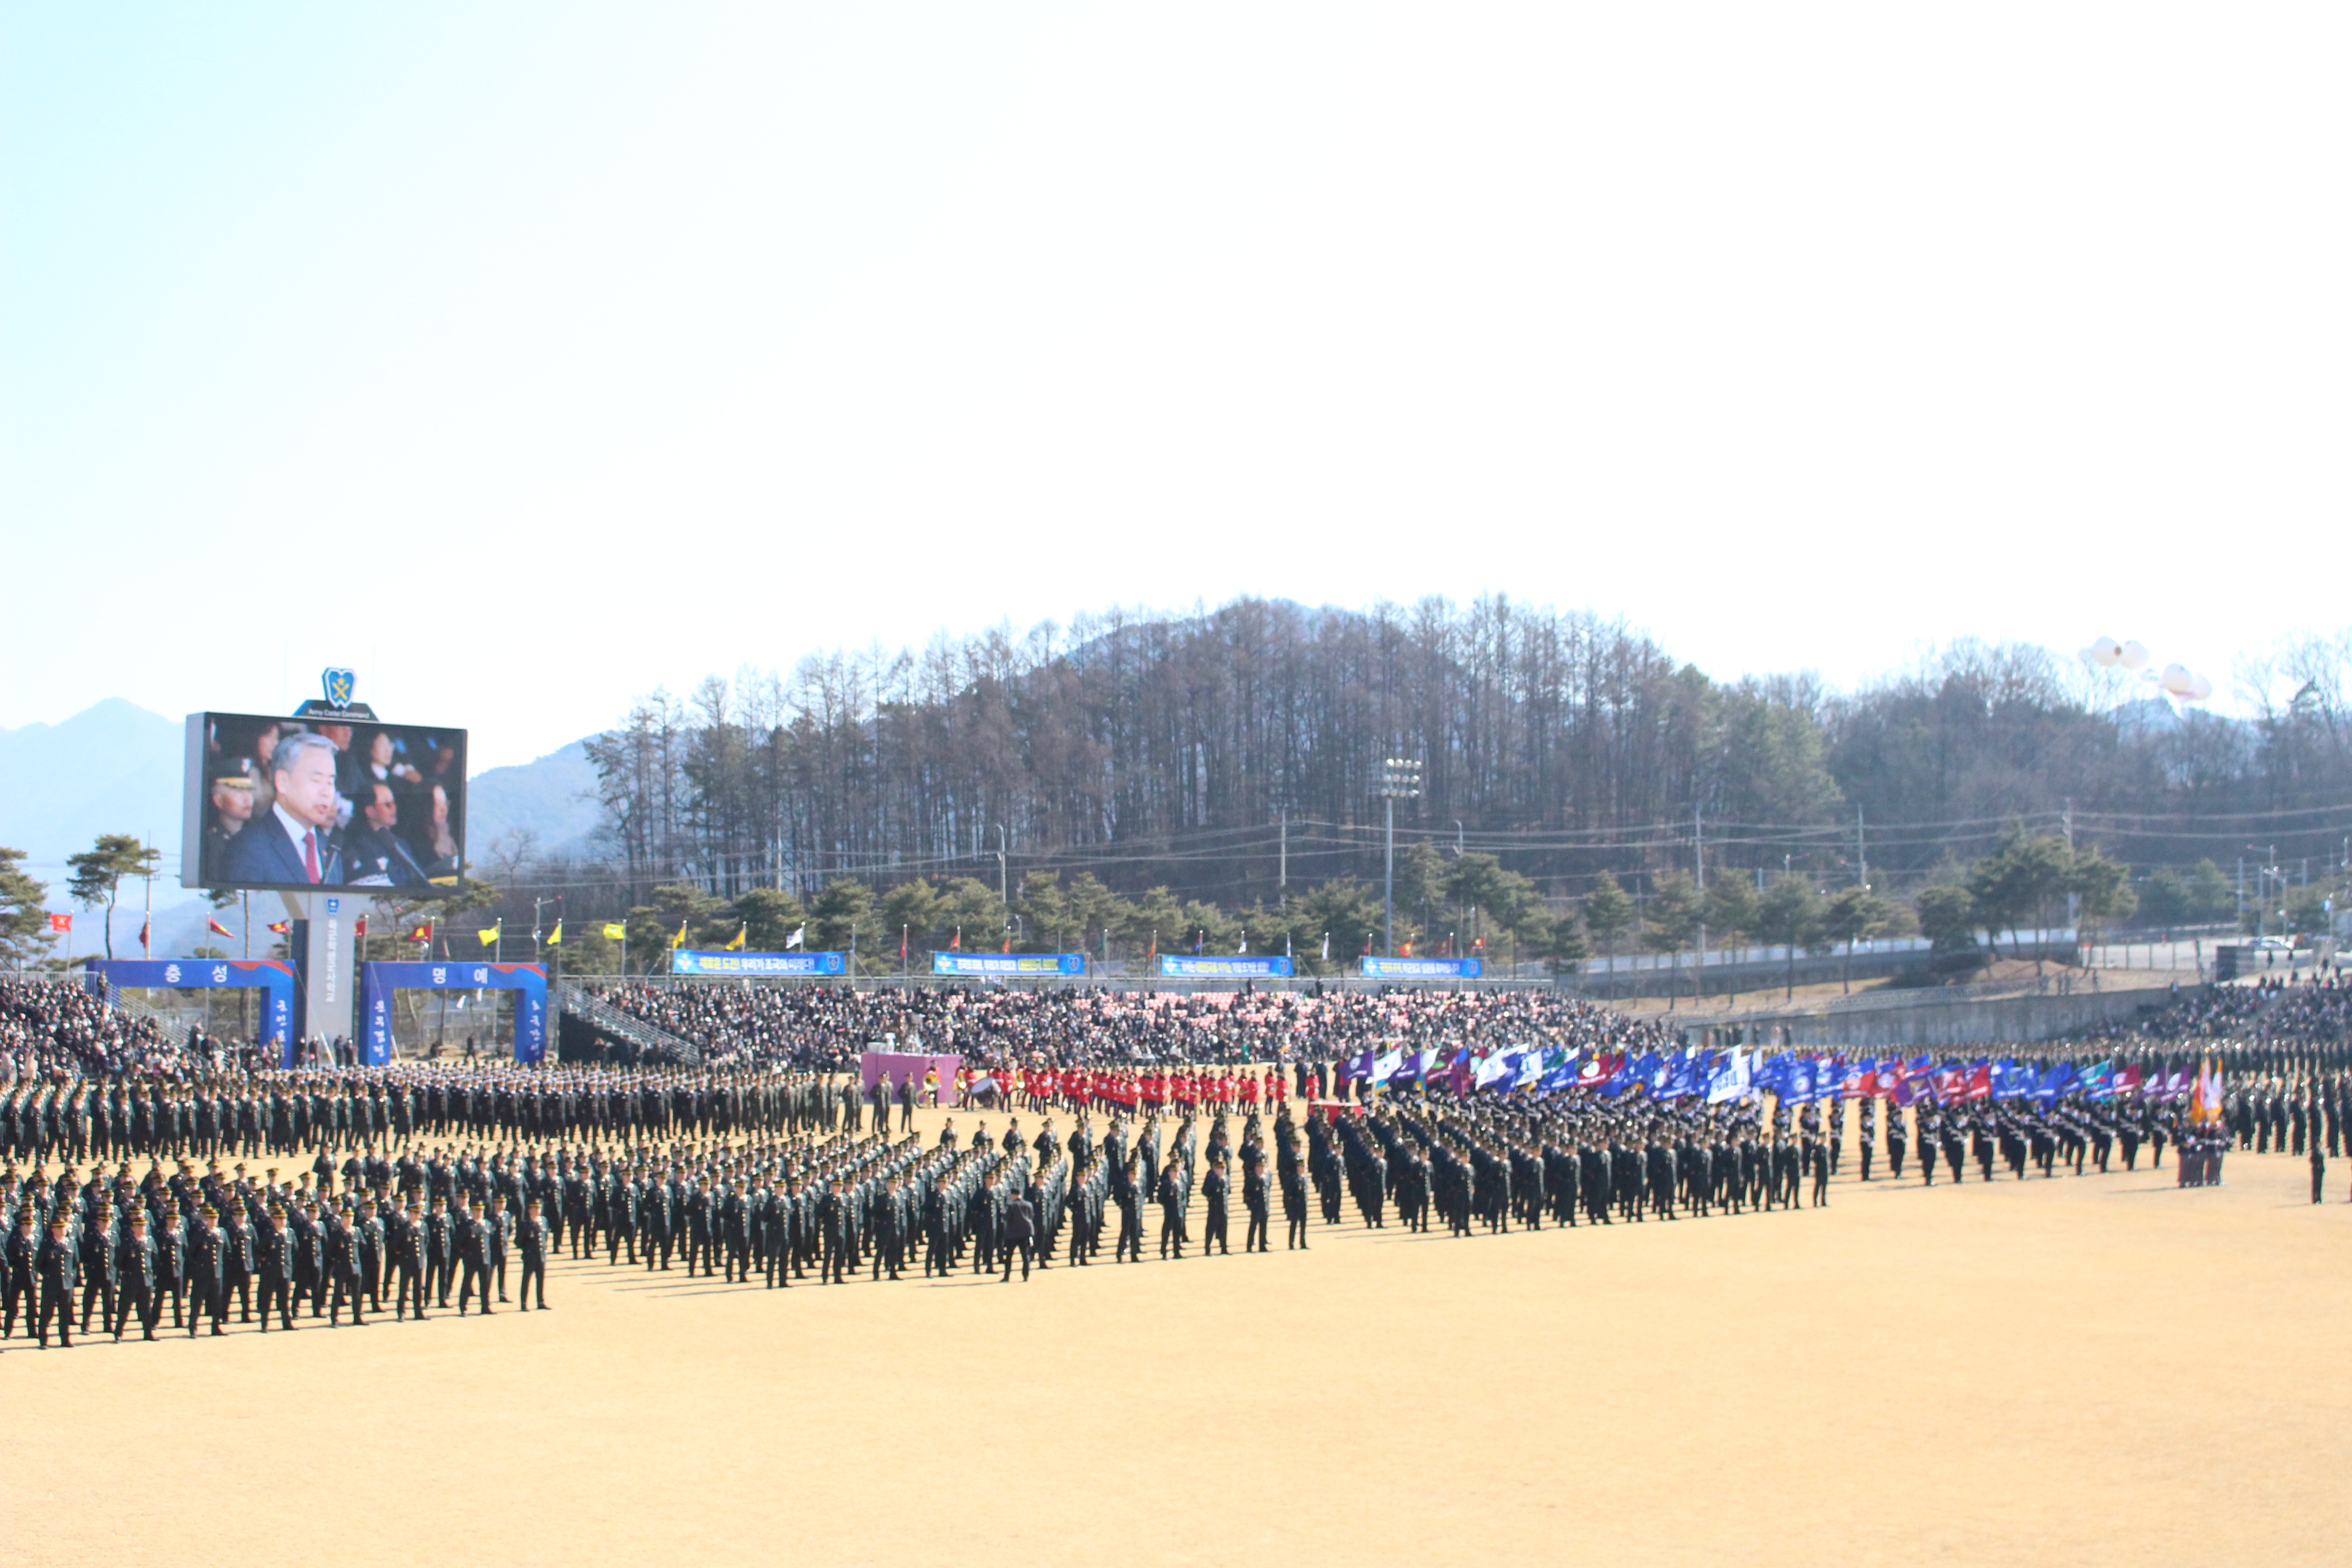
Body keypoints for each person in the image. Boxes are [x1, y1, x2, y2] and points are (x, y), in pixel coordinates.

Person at [222, 730, 345, 886]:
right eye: (316, 780)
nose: (326, 792)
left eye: (330, 782)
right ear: (282, 781)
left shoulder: (330, 849)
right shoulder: (249, 848)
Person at [517, 1199, 551, 1309]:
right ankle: (524, 1303)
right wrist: (527, 1249)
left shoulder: (544, 1221)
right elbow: (518, 1241)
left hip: (541, 1255)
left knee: (541, 1279)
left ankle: (540, 1301)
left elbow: (546, 1236)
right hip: (530, 1256)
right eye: (535, 1208)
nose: (537, 1210)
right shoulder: (525, 1224)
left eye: (539, 1208)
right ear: (530, 1210)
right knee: (527, 1279)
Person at [1000, 1186, 1037, 1282]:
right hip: (1026, 1232)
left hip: (1013, 1234)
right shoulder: (1029, 1205)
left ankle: (1007, 1276)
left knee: (1009, 1256)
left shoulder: (1012, 1206)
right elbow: (1032, 1216)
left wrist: (1002, 1214)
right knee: (1025, 1256)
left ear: (1013, 1195)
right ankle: (1026, 1275)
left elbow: (1007, 1218)